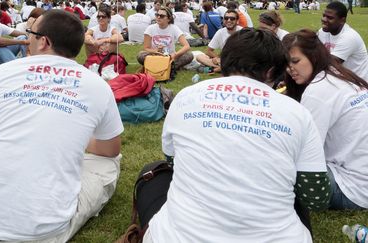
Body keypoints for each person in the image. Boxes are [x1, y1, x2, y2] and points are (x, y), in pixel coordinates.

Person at [137, 28, 330, 243]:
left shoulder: (186, 97)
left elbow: (172, 161)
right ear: (271, 71)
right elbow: (316, 197)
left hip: (174, 237)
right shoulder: (297, 112)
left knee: (152, 173)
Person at [0, 9, 124, 242]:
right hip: (41, 232)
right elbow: (110, 149)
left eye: (31, 33)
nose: (28, 39)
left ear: (44, 41)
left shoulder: (2, 72)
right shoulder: (96, 85)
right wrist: (69, 141)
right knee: (110, 163)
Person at [283, 29, 368, 210]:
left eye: (295, 61)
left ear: (313, 57)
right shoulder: (339, 74)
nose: (289, 69)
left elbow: (304, 152)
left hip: (353, 188)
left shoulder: (318, 90)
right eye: (286, 63)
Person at [317, 1, 368, 81]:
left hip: (357, 85)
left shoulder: (349, 37)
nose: (324, 19)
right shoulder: (323, 32)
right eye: (324, 15)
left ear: (342, 20)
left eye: (330, 18)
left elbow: (331, 64)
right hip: (340, 79)